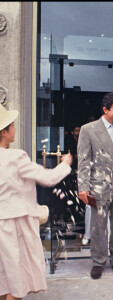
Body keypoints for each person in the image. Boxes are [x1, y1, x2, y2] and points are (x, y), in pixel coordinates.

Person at [0, 104, 72, 300]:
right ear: (4, 132)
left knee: (4, 280)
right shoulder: (15, 157)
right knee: (16, 282)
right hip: (14, 226)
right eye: (12, 126)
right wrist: (66, 163)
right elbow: (47, 178)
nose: (15, 129)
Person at [77, 91, 113, 280]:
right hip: (98, 186)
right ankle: (98, 262)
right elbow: (83, 161)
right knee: (98, 226)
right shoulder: (88, 129)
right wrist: (82, 186)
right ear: (105, 110)